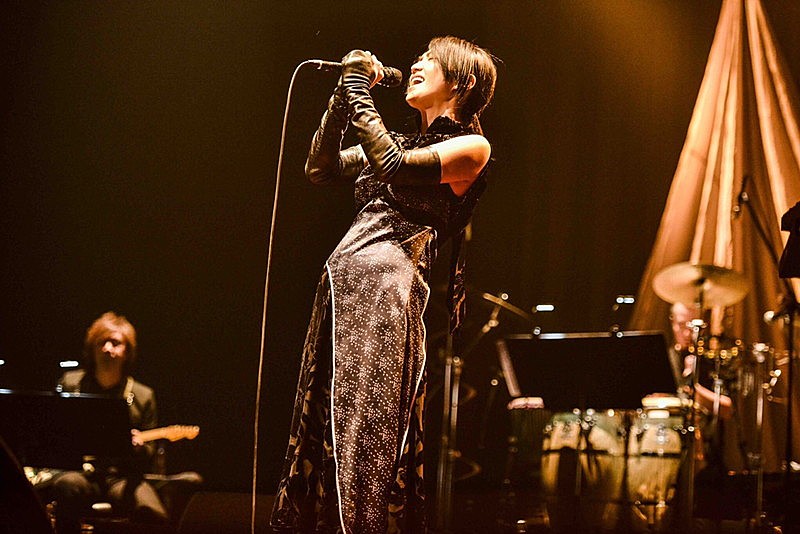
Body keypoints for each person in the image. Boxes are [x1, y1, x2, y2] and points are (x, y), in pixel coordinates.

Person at [270, 36, 498, 533]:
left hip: (384, 294)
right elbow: (321, 168)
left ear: (461, 82)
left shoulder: (471, 147)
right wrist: (340, 101)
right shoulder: (400, 140)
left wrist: (358, 88)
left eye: (430, 60)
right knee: (325, 425)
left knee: (364, 431)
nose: (416, 64)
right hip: (342, 288)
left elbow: (394, 166)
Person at [51, 312, 168, 533]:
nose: (107, 348)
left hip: (121, 478)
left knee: (153, 513)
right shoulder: (71, 384)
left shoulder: (143, 395)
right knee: (66, 486)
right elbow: (54, 433)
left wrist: (139, 447)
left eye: (115, 343)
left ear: (127, 352)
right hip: (81, 474)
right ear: (92, 348)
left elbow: (150, 451)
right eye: (101, 342)